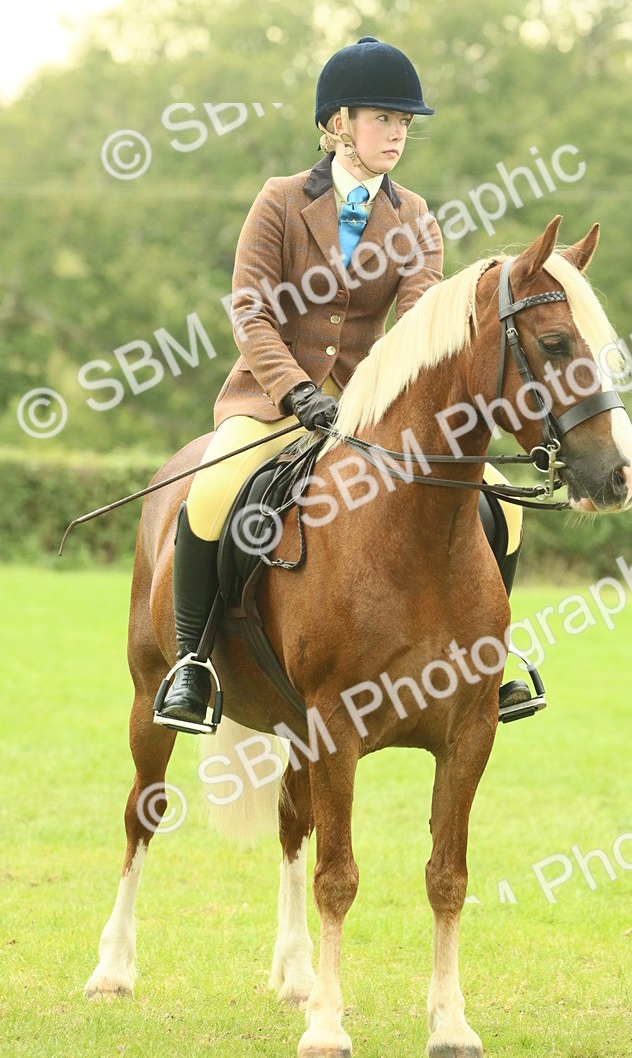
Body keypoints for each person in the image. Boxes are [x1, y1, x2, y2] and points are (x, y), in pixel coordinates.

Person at [155, 36, 537, 734]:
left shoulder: (416, 217)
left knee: (502, 507)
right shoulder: (278, 202)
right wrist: (296, 390)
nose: (397, 134)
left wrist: (375, 400)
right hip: (272, 403)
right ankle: (192, 662)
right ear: (338, 123)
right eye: (383, 119)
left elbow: (419, 325)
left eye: (404, 123)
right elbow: (251, 310)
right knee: (210, 491)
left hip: (368, 411)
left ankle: (491, 660)